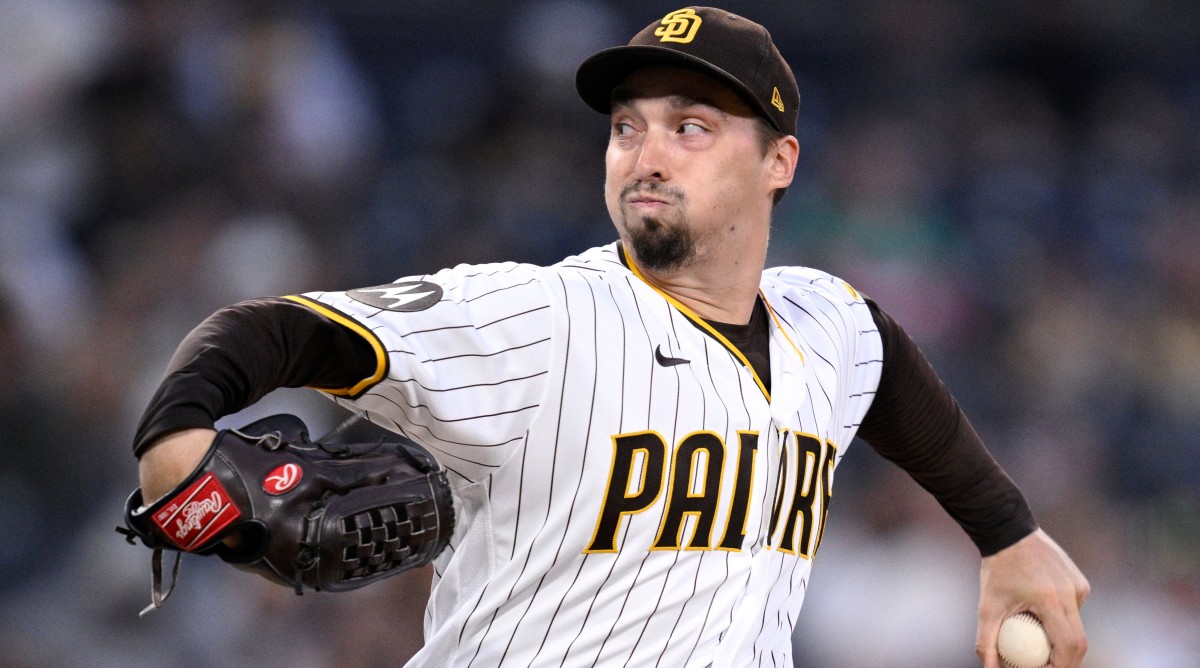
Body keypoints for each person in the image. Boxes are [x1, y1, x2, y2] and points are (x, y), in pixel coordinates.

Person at [134, 6, 1089, 666]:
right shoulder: (541, 316)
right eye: (627, 127)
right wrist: (175, 451)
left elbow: (882, 361)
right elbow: (273, 329)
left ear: (779, 162)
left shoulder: (820, 324)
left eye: (692, 126)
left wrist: (1010, 536)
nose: (647, 152)